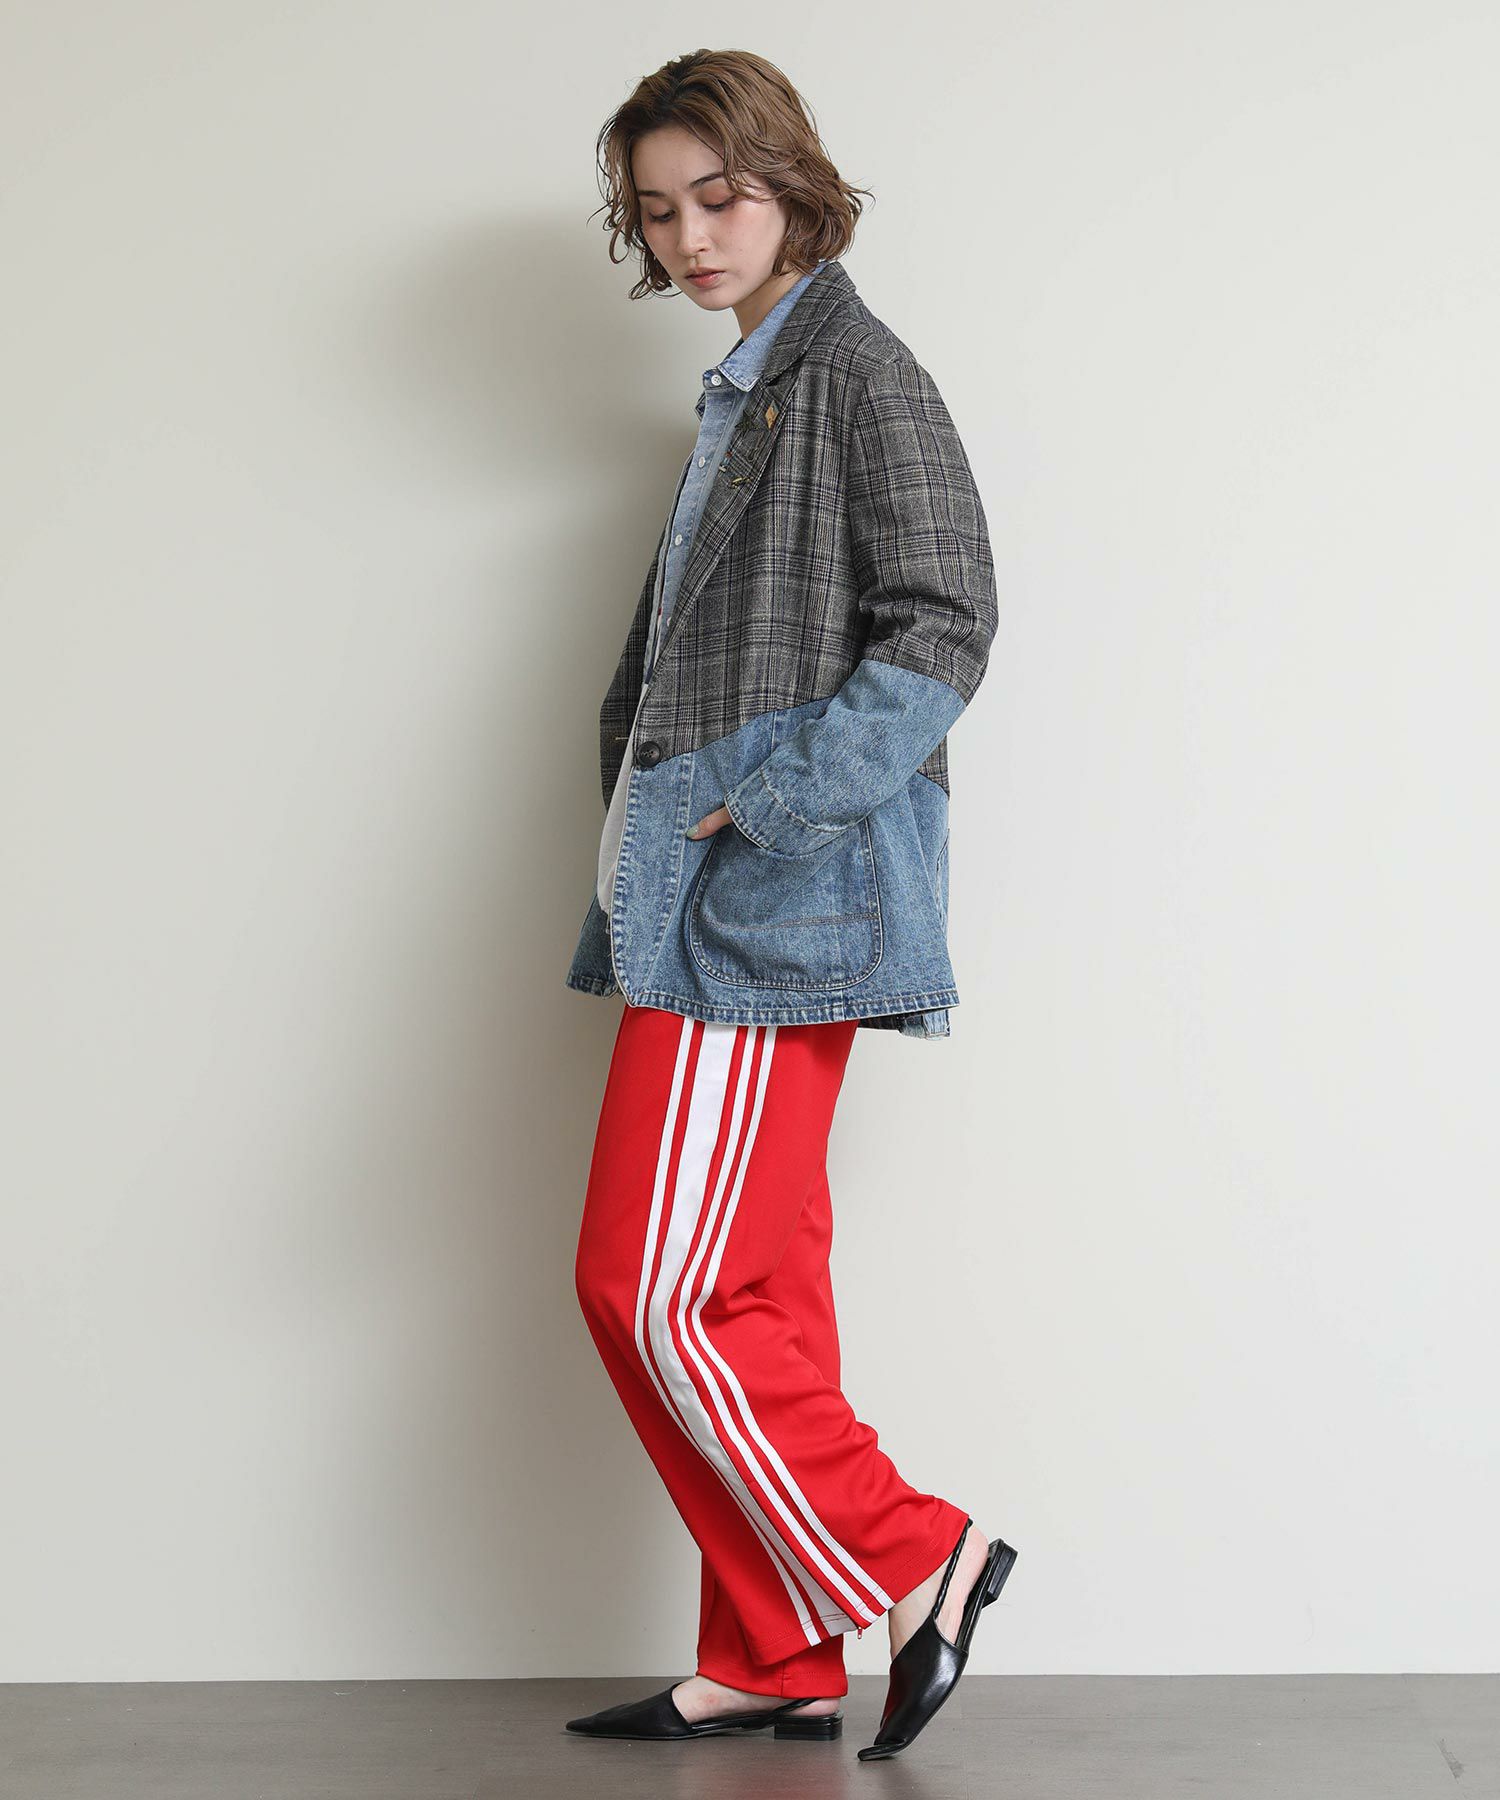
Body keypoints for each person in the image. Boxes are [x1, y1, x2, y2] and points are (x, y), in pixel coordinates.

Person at [563, 49, 1017, 1760]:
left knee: (650, 1288)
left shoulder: (856, 372)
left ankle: (917, 1553)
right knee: (749, 1294)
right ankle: (772, 1650)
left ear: (792, 185)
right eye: (658, 210)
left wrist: (767, 805)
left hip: (772, 904)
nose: (690, 235)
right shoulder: (753, 386)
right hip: (712, 890)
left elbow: (946, 621)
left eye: (720, 195)